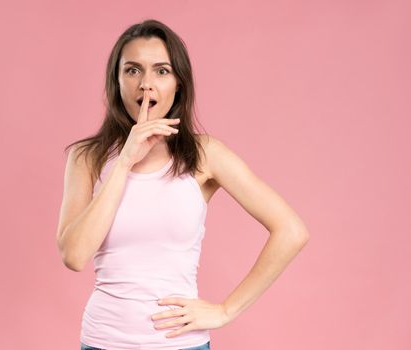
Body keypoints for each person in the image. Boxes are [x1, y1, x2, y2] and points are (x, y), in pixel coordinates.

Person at [57, 19, 310, 350]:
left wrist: (225, 311)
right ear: (116, 81)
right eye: (133, 70)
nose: (146, 85)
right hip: (103, 341)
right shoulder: (87, 157)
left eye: (161, 71)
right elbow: (74, 256)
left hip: (180, 345)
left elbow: (292, 230)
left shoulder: (205, 155)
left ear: (178, 83)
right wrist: (124, 162)